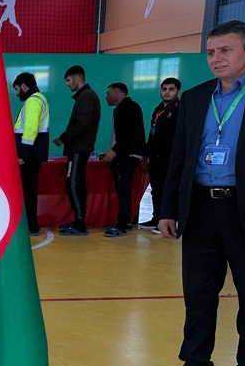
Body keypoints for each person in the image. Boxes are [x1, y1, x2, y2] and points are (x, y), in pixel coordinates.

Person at [157, 20, 245, 366]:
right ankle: (195, 364)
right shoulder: (194, 99)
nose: (216, 58)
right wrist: (167, 209)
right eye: (211, 52)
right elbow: (177, 159)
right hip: (200, 208)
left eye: (225, 50)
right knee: (197, 293)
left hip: (242, 209)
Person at [52, 65, 100, 235]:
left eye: (68, 80)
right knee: (74, 183)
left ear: (77, 79)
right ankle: (78, 220)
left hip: (79, 149)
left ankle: (80, 223)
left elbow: (83, 124)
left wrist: (63, 138)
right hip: (78, 149)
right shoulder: (84, 96)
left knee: (73, 184)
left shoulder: (86, 97)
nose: (67, 84)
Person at [98, 83, 145, 237]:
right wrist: (112, 150)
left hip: (129, 155)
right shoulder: (119, 110)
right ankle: (124, 222)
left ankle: (122, 225)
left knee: (124, 188)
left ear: (117, 94)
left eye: (108, 93)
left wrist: (115, 151)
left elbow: (129, 135)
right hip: (122, 153)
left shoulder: (130, 108)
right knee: (121, 189)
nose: (106, 97)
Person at [139, 77, 181, 228]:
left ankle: (169, 221)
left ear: (177, 91)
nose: (167, 92)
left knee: (168, 190)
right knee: (156, 189)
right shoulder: (158, 109)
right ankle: (156, 218)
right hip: (155, 157)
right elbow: (152, 133)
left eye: (171, 89)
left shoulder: (180, 110)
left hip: (170, 157)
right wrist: (146, 153)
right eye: (164, 89)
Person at [12, 72, 50, 236]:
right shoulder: (38, 99)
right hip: (33, 154)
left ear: (24, 86)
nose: (16, 93)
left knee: (27, 192)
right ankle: (31, 226)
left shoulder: (33, 101)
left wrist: (22, 155)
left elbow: (30, 130)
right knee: (29, 190)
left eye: (16, 89)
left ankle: (30, 226)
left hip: (29, 156)